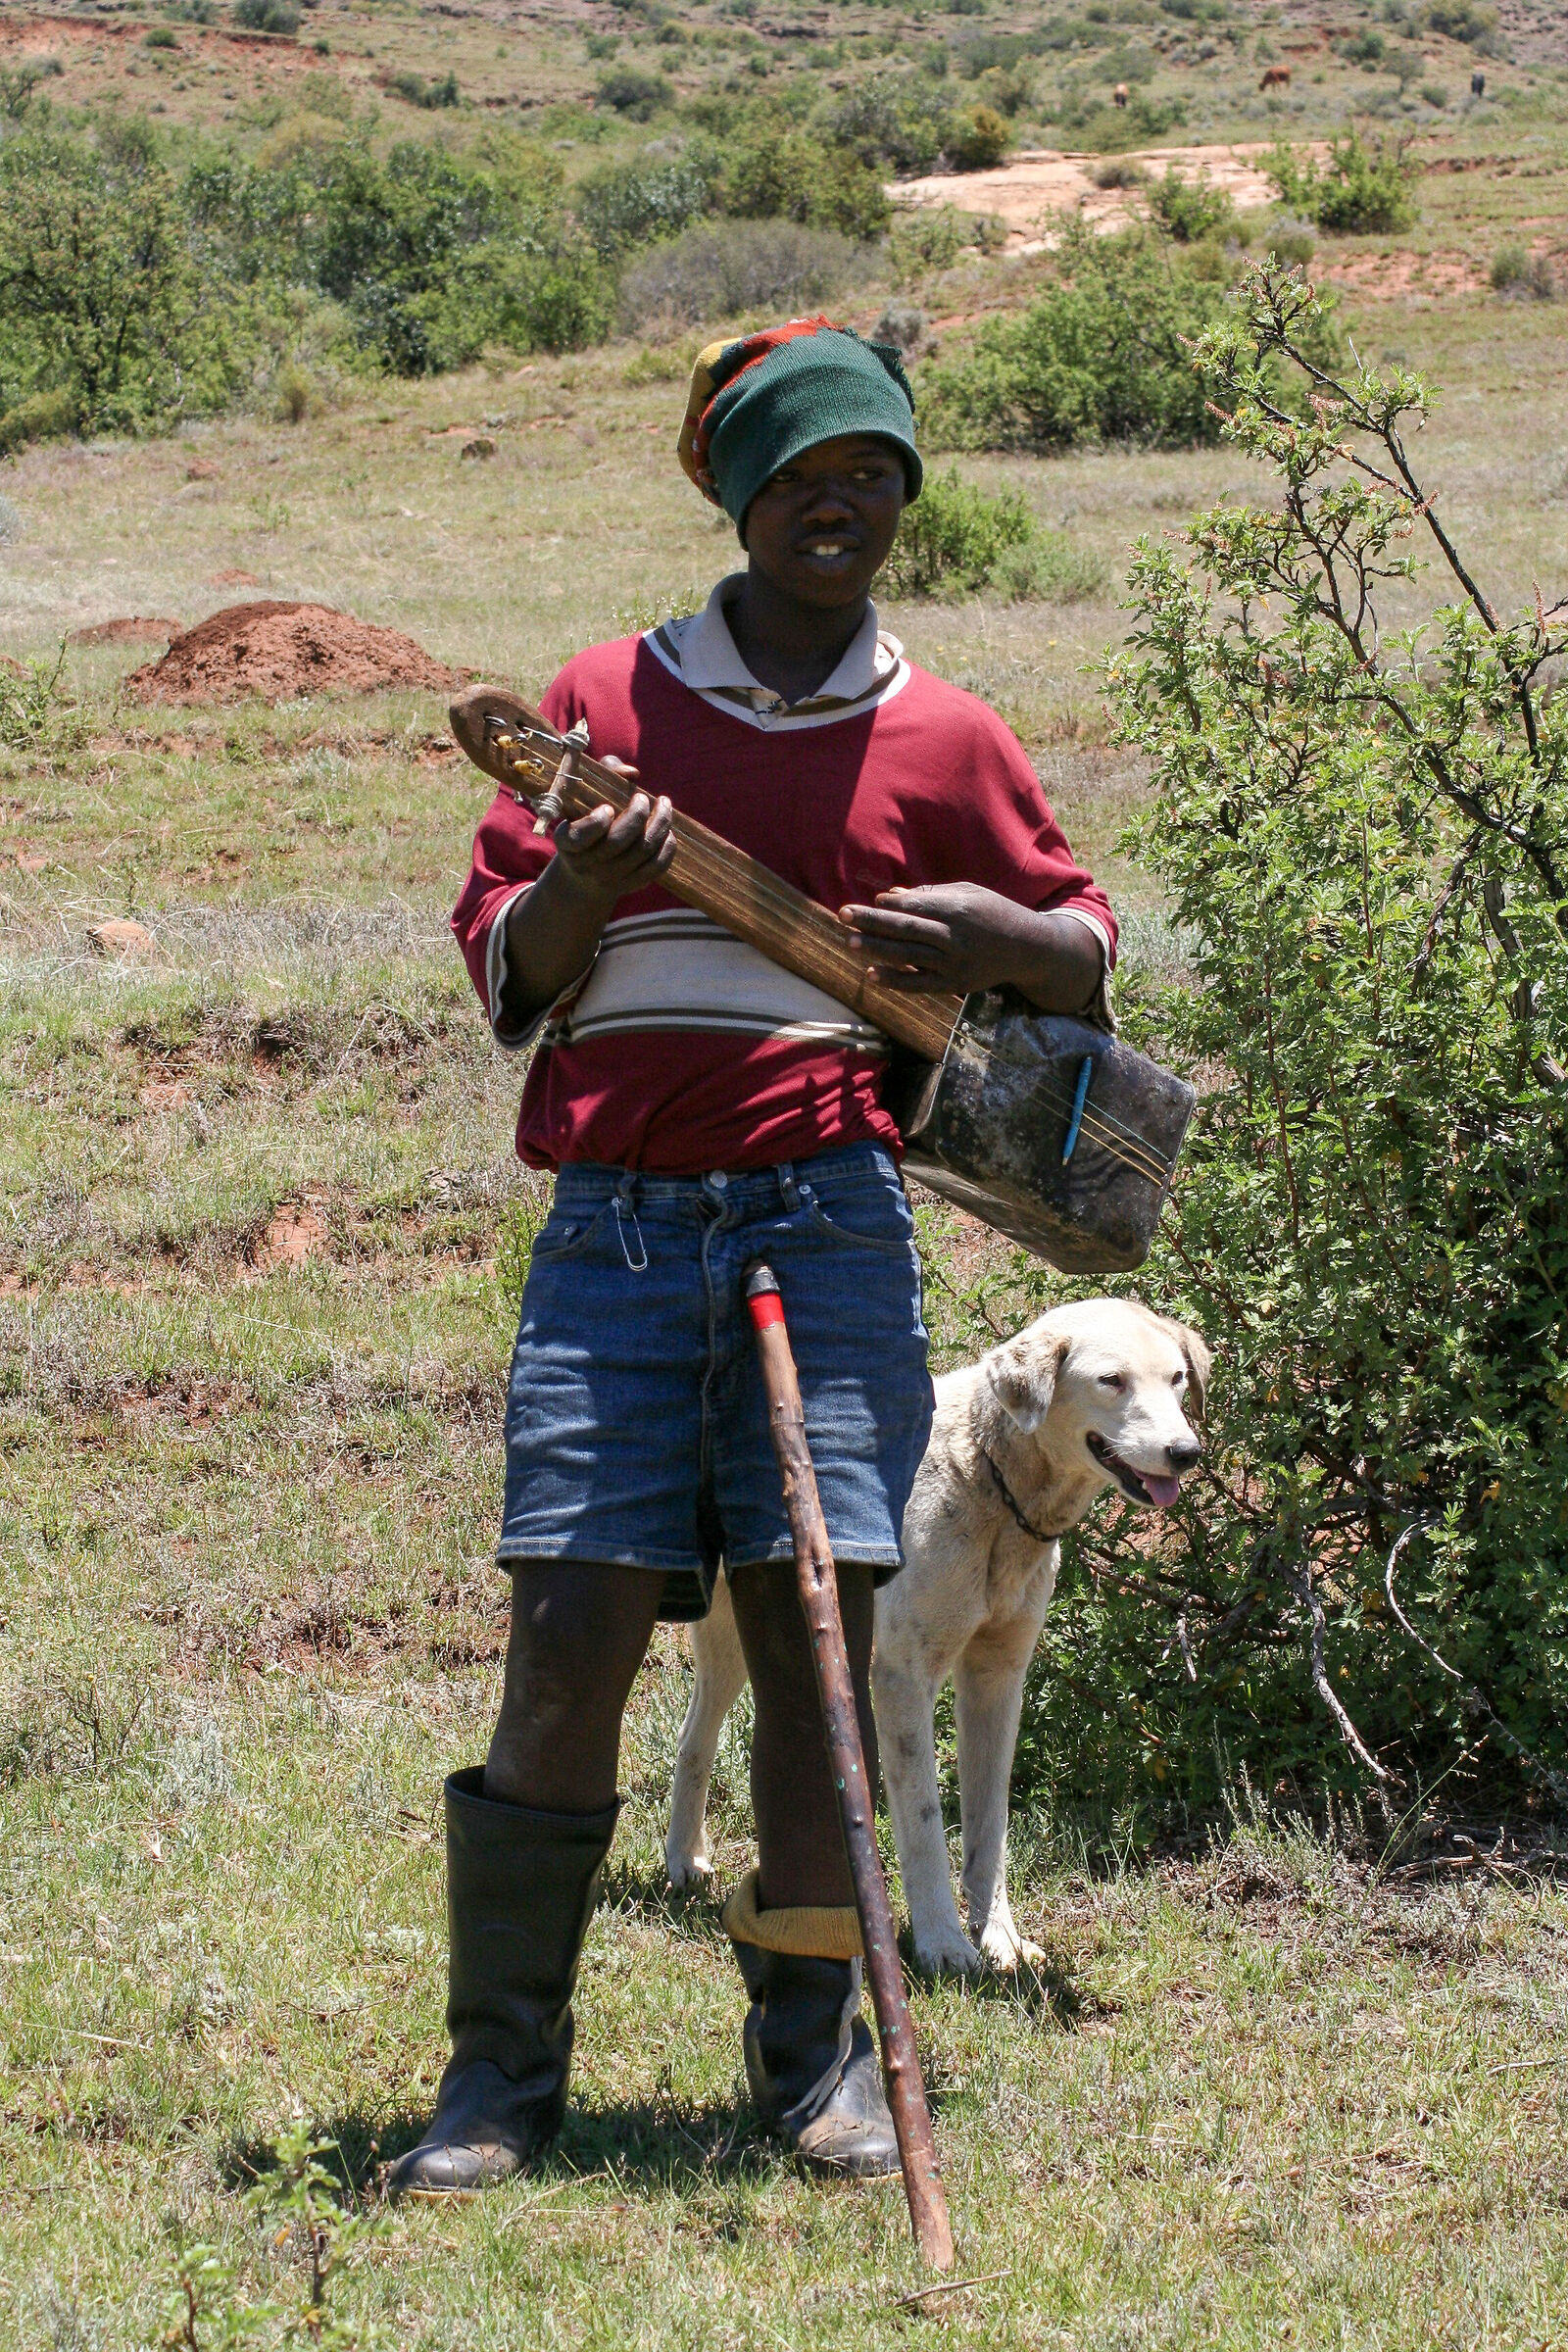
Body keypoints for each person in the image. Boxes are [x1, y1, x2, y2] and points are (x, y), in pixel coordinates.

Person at [389, 318, 1116, 2195]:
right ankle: (497, 2087)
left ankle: (812, 2070)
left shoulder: (945, 729)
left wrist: (987, 930)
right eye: (804, 473)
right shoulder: (601, 708)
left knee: (818, 1629)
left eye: (875, 473)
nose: (843, 503)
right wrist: (590, 873)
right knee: (569, 1621)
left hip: (832, 1219)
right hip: (619, 1232)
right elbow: (506, 982)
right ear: (737, 492)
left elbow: (1084, 944)